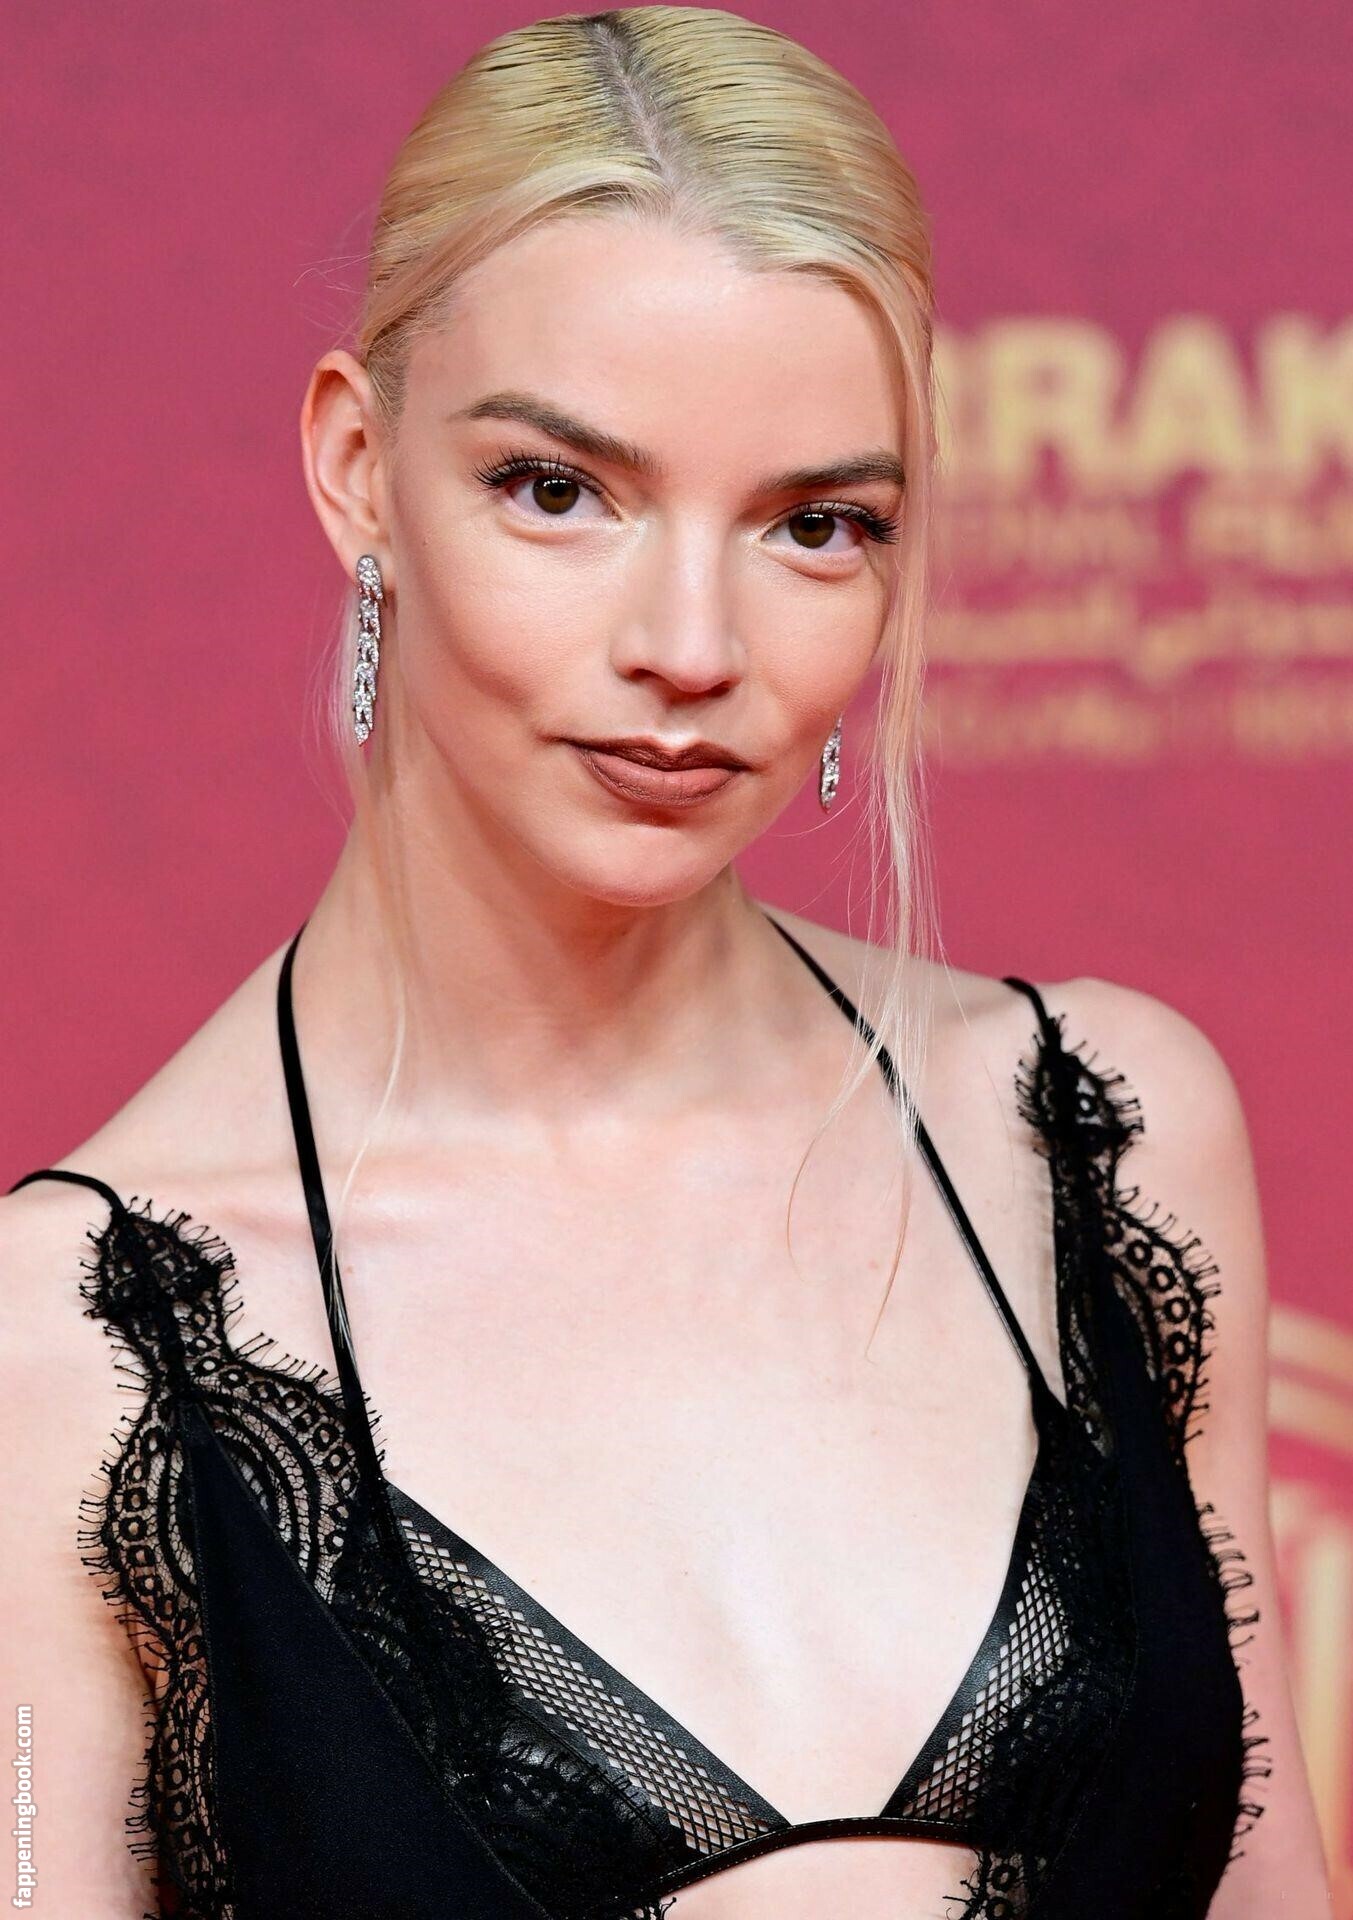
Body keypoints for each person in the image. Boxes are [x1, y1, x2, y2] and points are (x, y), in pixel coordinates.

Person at [2, 7, 1333, 1917]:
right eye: (559, 491)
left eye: (815, 524)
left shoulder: (1094, 1137)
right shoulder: (65, 1355)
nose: (692, 647)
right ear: (359, 468)